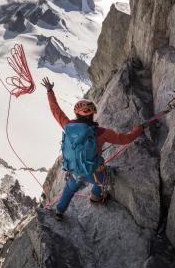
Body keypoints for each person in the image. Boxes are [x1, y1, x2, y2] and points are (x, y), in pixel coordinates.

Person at [40, 77, 145, 220]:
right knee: (106, 177)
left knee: (69, 189)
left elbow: (56, 111)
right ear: (92, 114)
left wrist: (49, 91)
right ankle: (96, 197)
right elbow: (125, 139)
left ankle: (59, 211)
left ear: (76, 114)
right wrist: (139, 129)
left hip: (74, 170)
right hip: (93, 171)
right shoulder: (101, 132)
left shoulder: (68, 126)